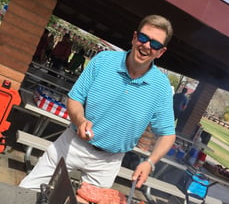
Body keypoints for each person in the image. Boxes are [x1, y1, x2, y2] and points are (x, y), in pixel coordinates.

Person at [19, 14, 176, 190]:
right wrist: (80, 120)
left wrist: (150, 162)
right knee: (27, 189)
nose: (146, 45)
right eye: (143, 38)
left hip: (108, 161)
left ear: (161, 52)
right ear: (134, 37)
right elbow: (75, 99)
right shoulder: (103, 61)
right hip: (73, 144)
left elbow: (168, 134)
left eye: (154, 44)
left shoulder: (161, 87)